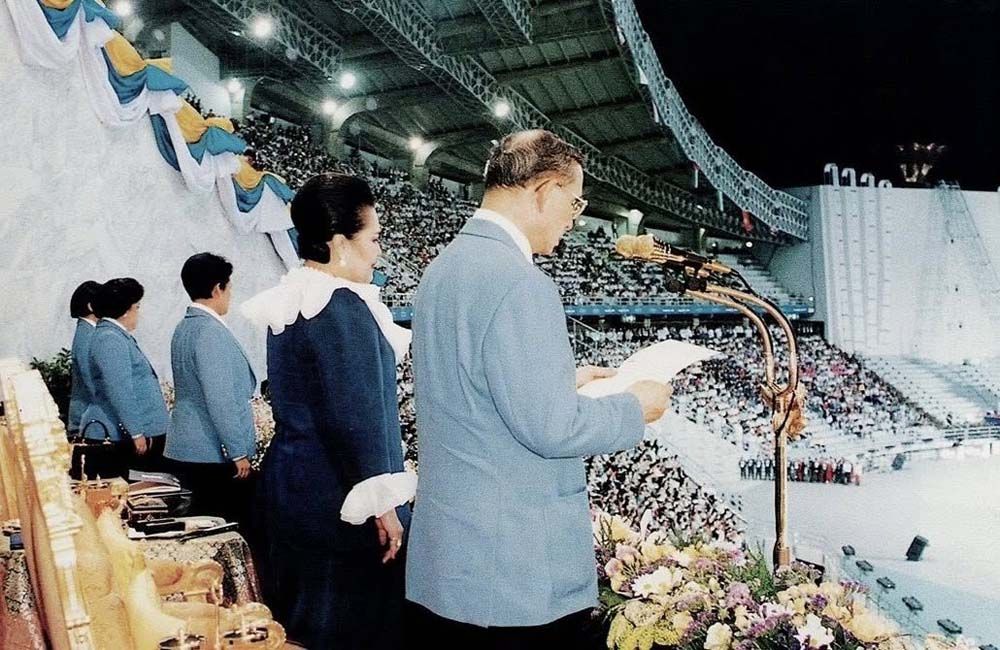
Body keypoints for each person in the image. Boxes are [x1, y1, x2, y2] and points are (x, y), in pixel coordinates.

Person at [405, 130, 671, 647]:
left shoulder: (442, 268)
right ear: (546, 191)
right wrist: (635, 407)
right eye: (575, 203)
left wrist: (563, 382)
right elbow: (553, 428)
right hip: (513, 571)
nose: (574, 219)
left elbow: (470, 388)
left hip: (452, 561)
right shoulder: (521, 282)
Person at [242, 173, 415, 650]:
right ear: (340, 243)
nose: (379, 252)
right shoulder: (342, 307)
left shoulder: (296, 299)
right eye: (374, 239)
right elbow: (357, 418)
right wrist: (383, 506)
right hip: (339, 503)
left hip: (296, 490)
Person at [165, 253, 257, 526]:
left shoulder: (184, 327)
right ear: (218, 288)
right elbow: (220, 399)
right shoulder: (210, 331)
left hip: (188, 445)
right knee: (222, 524)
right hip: (210, 450)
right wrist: (237, 451)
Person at [81, 278, 169, 477]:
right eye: (137, 307)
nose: (139, 313)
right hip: (119, 438)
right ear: (126, 311)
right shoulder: (109, 338)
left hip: (127, 435)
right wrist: (136, 432)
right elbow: (119, 389)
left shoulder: (115, 335)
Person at [68, 281, 102, 436]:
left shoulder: (88, 331)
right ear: (91, 306)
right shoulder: (87, 334)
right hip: (86, 419)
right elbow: (90, 378)